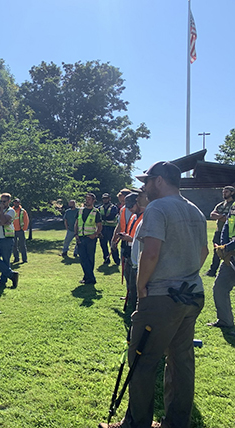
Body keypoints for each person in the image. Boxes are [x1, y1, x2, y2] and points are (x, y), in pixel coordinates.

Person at [99, 161, 208, 428]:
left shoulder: (158, 207)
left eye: (147, 182)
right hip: (192, 295)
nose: (144, 188)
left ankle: (136, 423)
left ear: (159, 180)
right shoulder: (195, 210)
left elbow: (150, 252)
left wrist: (140, 285)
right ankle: (177, 422)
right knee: (181, 362)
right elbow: (204, 252)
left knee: (143, 360)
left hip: (162, 298)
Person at [206, 198, 235, 334]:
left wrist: (228, 247)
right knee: (220, 287)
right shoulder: (233, 206)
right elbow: (227, 226)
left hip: (231, 251)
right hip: (231, 257)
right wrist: (224, 247)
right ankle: (225, 320)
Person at [117, 192, 146, 314]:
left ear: (138, 202)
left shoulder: (146, 217)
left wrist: (130, 238)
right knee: (129, 279)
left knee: (136, 283)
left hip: (139, 254)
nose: (129, 209)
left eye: (131, 206)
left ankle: (136, 307)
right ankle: (131, 301)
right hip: (129, 251)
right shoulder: (134, 216)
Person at [205, 186, 235, 277]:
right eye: (223, 192)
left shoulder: (232, 205)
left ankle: (228, 271)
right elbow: (212, 215)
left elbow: (227, 219)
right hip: (219, 232)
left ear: (232, 193)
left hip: (229, 234)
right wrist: (222, 216)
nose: (224, 193)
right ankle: (212, 271)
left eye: (226, 192)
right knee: (217, 252)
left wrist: (220, 217)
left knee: (229, 253)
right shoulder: (221, 204)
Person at [0, 193, 19, 288]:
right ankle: (12, 275)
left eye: (4, 201)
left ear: (9, 201)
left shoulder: (11, 211)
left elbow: (2, 220)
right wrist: (2, 222)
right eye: (1, 201)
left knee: (6, 261)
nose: (2, 203)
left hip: (7, 239)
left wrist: (2, 213)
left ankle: (2, 283)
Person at [75, 193, 102, 285]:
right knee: (83, 258)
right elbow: (76, 223)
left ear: (93, 200)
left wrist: (95, 234)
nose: (87, 201)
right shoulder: (80, 211)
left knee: (90, 258)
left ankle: (88, 278)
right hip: (81, 237)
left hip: (90, 238)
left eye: (89, 199)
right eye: (86, 199)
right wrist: (76, 235)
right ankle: (89, 277)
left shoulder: (96, 212)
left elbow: (99, 225)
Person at [99, 193, 120, 266]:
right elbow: (98, 218)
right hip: (102, 228)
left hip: (111, 228)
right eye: (104, 198)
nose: (105, 200)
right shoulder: (100, 208)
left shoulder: (113, 207)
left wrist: (103, 217)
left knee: (113, 244)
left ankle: (117, 260)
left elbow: (111, 216)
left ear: (109, 198)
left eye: (106, 198)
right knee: (103, 245)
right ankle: (106, 259)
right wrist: (105, 216)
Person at [12, 198, 29, 263]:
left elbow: (26, 220)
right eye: (15, 202)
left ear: (19, 203)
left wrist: (24, 228)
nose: (16, 203)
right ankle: (16, 258)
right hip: (13, 231)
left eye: (17, 202)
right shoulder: (11, 210)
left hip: (20, 230)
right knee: (14, 245)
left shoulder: (22, 211)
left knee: (22, 245)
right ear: (13, 203)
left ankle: (24, 259)